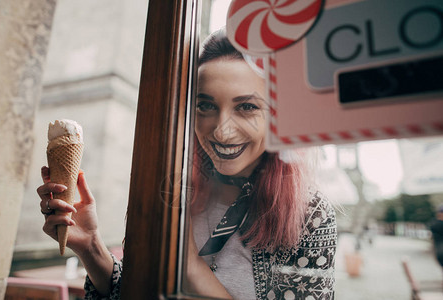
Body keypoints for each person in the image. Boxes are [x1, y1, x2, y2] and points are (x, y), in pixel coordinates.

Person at [38, 30, 337, 300]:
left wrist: (189, 265)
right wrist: (91, 247)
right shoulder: (171, 188)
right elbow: (134, 290)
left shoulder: (310, 214)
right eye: (205, 105)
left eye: (246, 107)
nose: (221, 130)